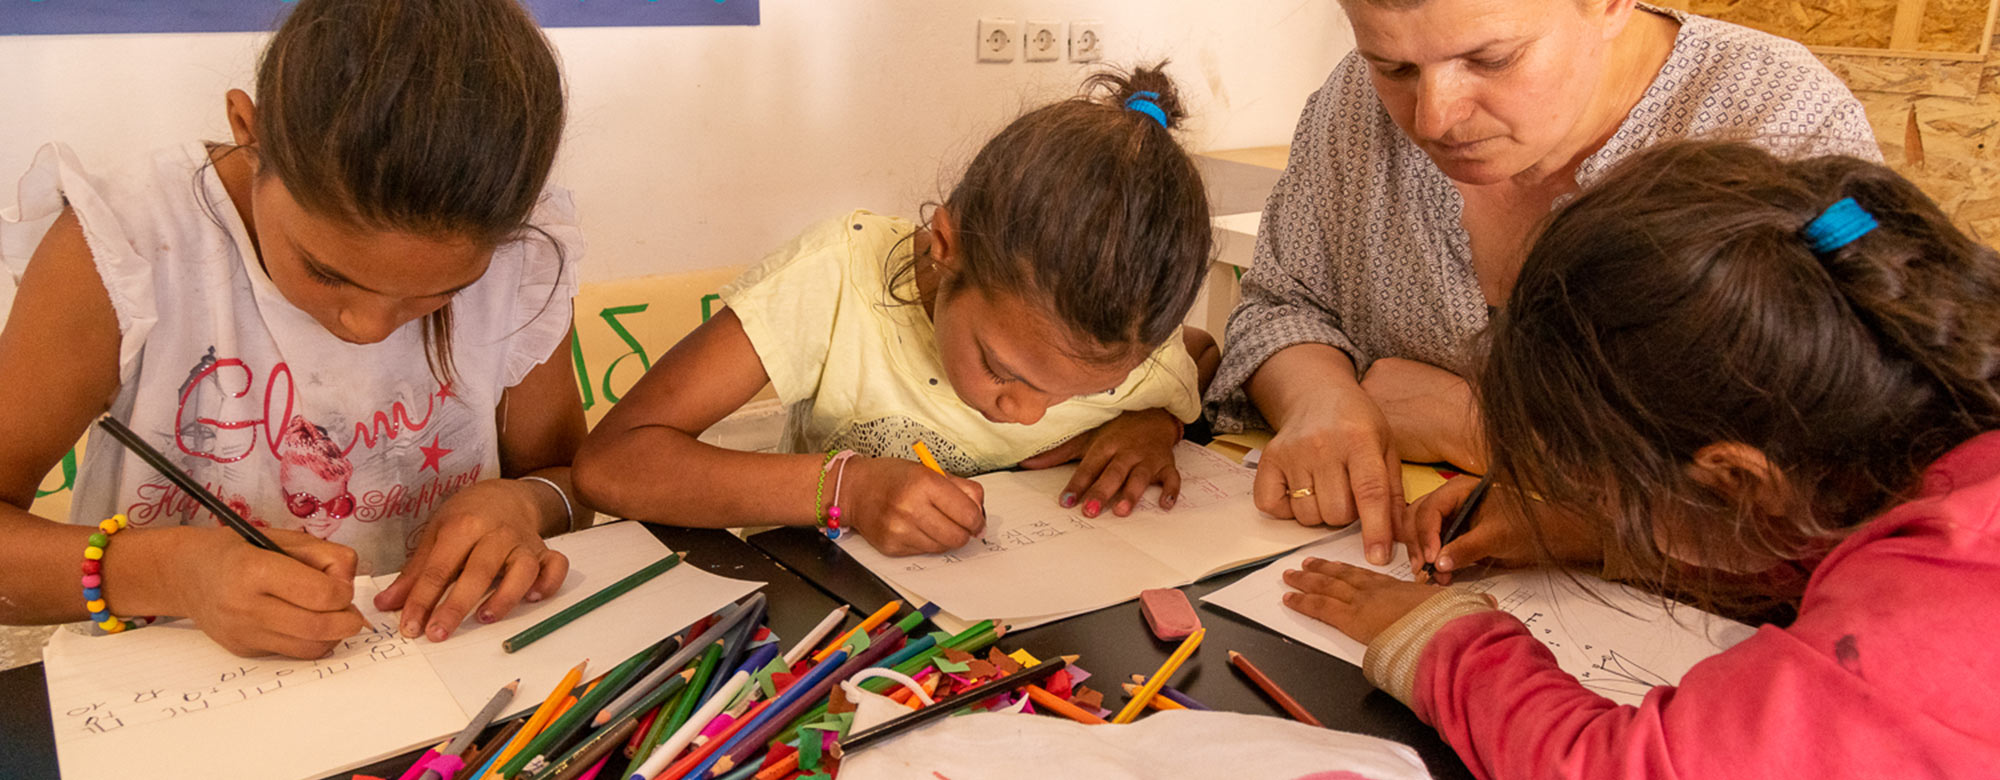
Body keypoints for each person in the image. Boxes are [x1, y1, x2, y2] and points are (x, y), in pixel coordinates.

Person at [1286, 141, 2000, 777]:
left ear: (1737, 479)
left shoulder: (1928, 613)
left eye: (1605, 493)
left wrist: (1441, 639)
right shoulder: (1932, 424)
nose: (1589, 505)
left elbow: (1623, 768)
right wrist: (1604, 536)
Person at [0, 0, 586, 658]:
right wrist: (170, 573)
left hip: (447, 676)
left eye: (442, 292)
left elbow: (569, 479)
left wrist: (526, 506)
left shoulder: (525, 260)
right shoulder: (127, 244)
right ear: (249, 133)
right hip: (177, 704)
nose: (366, 330)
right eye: (327, 273)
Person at [1206, 0, 1881, 567]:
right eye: (1395, 67)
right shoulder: (1354, 102)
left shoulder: (1775, 123)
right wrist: (1319, 396)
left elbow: (1812, 485)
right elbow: (1281, 300)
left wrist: (1478, 425)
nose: (1435, 117)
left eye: (1491, 59)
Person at [575, 65, 1218, 556]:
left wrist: (1152, 424)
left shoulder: (1125, 324)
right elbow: (613, 462)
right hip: (813, 615)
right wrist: (846, 490)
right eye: (1003, 371)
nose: (1025, 413)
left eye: (1086, 393)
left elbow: (1198, 355)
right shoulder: (833, 280)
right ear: (946, 247)